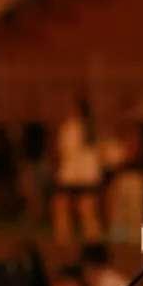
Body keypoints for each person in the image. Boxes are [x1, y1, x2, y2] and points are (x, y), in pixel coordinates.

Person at [52, 99, 103, 245]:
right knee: (84, 208)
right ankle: (91, 239)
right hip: (85, 174)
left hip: (74, 174)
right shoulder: (90, 128)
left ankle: (66, 238)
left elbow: (64, 150)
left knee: (67, 206)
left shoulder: (72, 127)